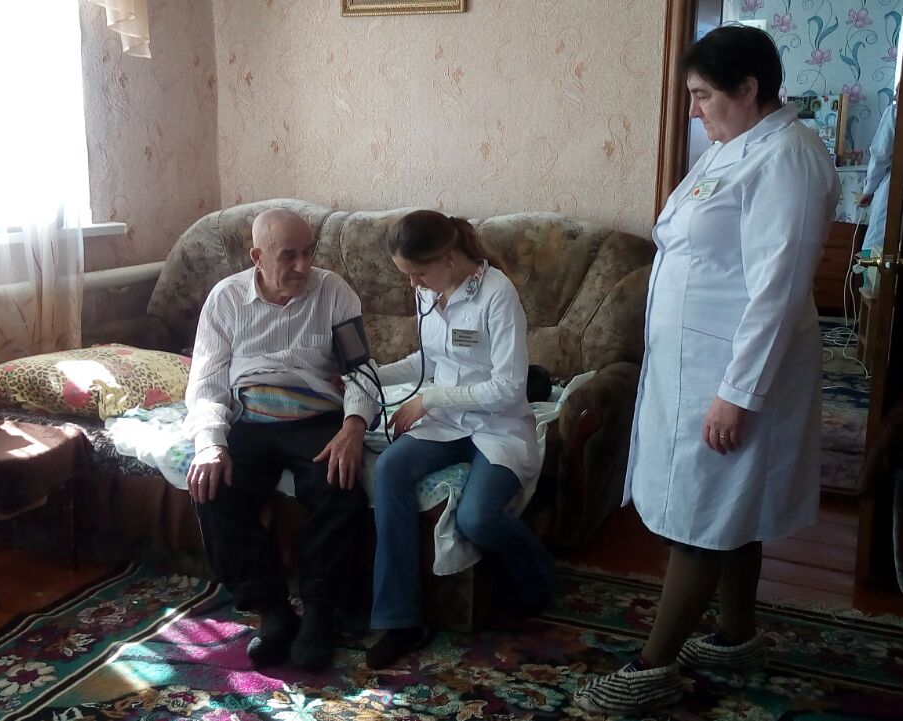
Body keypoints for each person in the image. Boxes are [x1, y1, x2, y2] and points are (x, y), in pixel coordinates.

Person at [573, 26, 839, 715]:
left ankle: (650, 667)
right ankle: (736, 635)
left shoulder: (788, 158)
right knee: (730, 509)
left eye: (702, 95)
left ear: (748, 89)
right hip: (695, 366)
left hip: (734, 371)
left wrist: (737, 393)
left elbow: (778, 289)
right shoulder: (734, 147)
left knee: (701, 512)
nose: (693, 110)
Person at [183, 207, 376, 672]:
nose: (303, 266)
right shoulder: (226, 299)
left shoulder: (333, 292)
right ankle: (272, 610)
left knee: (341, 488)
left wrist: (354, 426)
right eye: (289, 255)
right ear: (257, 256)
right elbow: (206, 382)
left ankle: (320, 612)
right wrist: (211, 442)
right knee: (213, 489)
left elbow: (361, 371)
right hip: (250, 416)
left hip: (315, 417)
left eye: (309, 253)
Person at [362, 210, 554, 670]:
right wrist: (370, 374)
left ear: (449, 257)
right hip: (447, 421)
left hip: (498, 425)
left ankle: (539, 577)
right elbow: (428, 360)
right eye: (407, 275)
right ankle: (400, 619)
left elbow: (508, 388)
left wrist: (429, 399)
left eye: (418, 273)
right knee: (389, 469)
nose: (413, 285)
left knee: (477, 519)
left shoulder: (497, 294)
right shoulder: (430, 292)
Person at [857, 94, 898, 295]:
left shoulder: (897, 112)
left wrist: (868, 190)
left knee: (876, 248)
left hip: (893, 189)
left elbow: (881, 154)